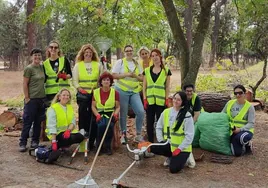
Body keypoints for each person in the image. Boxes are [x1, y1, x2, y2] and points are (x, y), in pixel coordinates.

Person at [150, 91, 194, 173]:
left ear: (183, 102)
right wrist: (160, 141)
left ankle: (187, 157)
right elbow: (158, 127)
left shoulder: (187, 116)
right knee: (151, 147)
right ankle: (171, 156)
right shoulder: (166, 112)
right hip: (168, 144)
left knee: (173, 169)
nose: (175, 101)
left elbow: (189, 137)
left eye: (178, 100)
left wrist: (179, 149)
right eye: (174, 98)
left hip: (182, 148)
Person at [72, 44, 102, 150]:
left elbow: (101, 78)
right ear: (83, 54)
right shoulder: (78, 65)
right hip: (83, 94)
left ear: (93, 54)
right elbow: (74, 81)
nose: (88, 54)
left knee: (93, 117)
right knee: (83, 115)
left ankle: (92, 140)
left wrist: (97, 89)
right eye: (86, 53)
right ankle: (82, 137)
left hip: (94, 93)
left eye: (90, 53)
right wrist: (80, 89)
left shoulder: (97, 65)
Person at [112, 45, 144, 144]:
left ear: (133, 52)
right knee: (123, 113)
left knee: (140, 111)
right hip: (122, 91)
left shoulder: (137, 63)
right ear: (124, 52)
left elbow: (142, 78)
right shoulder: (120, 62)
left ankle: (138, 134)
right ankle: (123, 134)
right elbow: (113, 75)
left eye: (130, 50)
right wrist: (126, 74)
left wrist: (135, 76)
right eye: (127, 51)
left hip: (134, 91)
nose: (129, 52)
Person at [19, 48, 46, 152]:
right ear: (31, 57)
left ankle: (35, 141)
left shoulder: (42, 68)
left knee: (38, 122)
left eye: (39, 55)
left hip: (41, 99)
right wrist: (27, 98)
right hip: (31, 100)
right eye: (35, 55)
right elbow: (25, 84)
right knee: (27, 122)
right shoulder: (29, 69)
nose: (37, 57)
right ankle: (23, 142)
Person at [143, 48, 171, 143]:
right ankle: (150, 142)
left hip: (161, 101)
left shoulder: (166, 71)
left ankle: (161, 141)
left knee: (160, 122)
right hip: (150, 101)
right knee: (149, 122)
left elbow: (167, 87)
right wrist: (144, 99)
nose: (155, 57)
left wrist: (167, 99)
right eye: (153, 56)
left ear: (160, 56)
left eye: (156, 55)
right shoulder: (147, 71)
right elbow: (144, 87)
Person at [91, 72, 120, 155]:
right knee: (101, 125)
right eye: (104, 80)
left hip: (110, 114)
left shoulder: (115, 93)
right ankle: (99, 146)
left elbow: (118, 107)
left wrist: (115, 114)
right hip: (99, 113)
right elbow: (93, 106)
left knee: (110, 126)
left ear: (110, 82)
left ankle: (107, 146)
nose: (106, 81)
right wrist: (97, 115)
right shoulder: (95, 92)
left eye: (108, 80)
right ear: (101, 82)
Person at [222, 84, 255, 156]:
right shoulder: (229, 103)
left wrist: (240, 130)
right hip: (231, 130)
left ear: (244, 93)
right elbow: (222, 115)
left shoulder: (250, 107)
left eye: (240, 93)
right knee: (236, 153)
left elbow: (251, 123)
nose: (238, 95)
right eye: (235, 93)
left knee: (240, 138)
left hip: (245, 131)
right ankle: (237, 144)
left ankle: (248, 144)